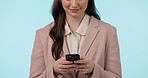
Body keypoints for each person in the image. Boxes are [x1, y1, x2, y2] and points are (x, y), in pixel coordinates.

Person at [29, 0, 122, 78]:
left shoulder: (108, 32)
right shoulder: (42, 34)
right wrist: (54, 71)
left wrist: (93, 70)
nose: (74, 4)